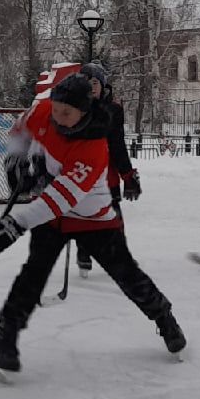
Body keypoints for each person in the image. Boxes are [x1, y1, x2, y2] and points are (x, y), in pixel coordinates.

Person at [0, 72, 185, 376]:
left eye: (67, 113)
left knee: (127, 275)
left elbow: (62, 198)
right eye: (56, 108)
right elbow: (20, 131)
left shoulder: (94, 147)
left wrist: (13, 225)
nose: (58, 117)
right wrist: (17, 160)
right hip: (53, 218)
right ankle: (6, 337)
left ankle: (164, 318)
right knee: (32, 275)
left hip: (93, 219)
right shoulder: (45, 110)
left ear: (84, 112)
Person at [73, 62, 140, 278]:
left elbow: (118, 145)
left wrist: (128, 176)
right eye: (86, 83)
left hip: (107, 176)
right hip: (81, 175)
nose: (91, 87)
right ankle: (84, 252)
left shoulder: (113, 111)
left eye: (95, 83)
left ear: (102, 86)